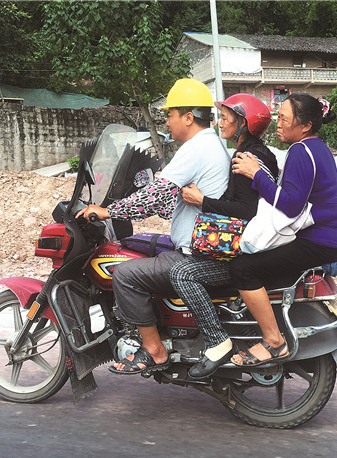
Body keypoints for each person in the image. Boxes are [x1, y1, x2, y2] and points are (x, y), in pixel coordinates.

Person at [76, 78, 230, 374]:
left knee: (125, 274)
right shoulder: (210, 145)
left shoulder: (195, 148)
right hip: (200, 246)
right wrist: (137, 205)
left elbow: (155, 194)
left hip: (195, 255)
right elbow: (170, 200)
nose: (167, 122)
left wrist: (108, 210)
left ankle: (154, 349)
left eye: (169, 115)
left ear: (187, 117)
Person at [228, 93, 337, 367]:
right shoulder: (317, 148)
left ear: (304, 126)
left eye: (283, 118)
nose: (277, 123)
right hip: (324, 239)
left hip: (317, 240)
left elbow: (291, 206)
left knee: (243, 269)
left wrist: (255, 174)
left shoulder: (300, 152)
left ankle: (273, 341)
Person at [169, 94, 278, 379]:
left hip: (248, 247)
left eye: (228, 117)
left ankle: (218, 341)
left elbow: (245, 210)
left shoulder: (245, 158)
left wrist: (202, 201)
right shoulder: (259, 153)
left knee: (182, 274)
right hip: (260, 245)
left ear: (244, 123)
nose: (221, 121)